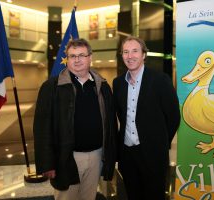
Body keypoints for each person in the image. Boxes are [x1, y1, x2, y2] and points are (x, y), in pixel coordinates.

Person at [33, 38, 116, 200]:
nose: (77, 60)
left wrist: (111, 155)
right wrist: (47, 164)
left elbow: (111, 123)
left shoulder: (102, 86)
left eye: (82, 55)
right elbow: (42, 128)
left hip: (96, 157)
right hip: (67, 158)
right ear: (67, 59)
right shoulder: (52, 87)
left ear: (90, 57)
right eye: (72, 56)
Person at [113, 36, 180, 200]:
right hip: (127, 155)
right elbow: (121, 115)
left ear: (144, 54)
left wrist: (160, 142)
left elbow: (173, 117)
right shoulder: (118, 83)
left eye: (135, 51)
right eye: (126, 52)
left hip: (154, 155)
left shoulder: (160, 80)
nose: (130, 56)